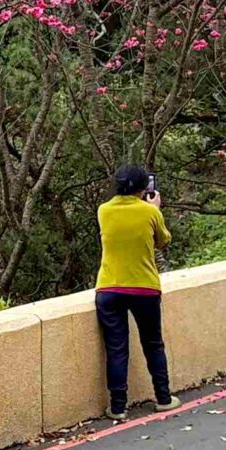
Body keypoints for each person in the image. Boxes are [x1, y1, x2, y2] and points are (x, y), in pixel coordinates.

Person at [95, 164, 178, 419]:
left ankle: (118, 407)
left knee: (117, 348)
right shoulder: (149, 212)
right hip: (144, 287)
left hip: (109, 287)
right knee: (153, 343)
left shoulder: (103, 211)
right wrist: (155, 211)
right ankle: (163, 397)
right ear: (144, 188)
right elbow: (163, 241)